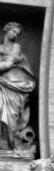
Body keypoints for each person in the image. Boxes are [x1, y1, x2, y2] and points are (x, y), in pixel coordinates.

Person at [0, 22, 36, 150]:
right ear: (7, 30)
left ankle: (8, 143)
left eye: (17, 33)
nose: (15, 34)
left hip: (14, 84)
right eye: (13, 31)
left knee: (11, 115)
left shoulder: (16, 47)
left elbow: (9, 64)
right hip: (1, 83)